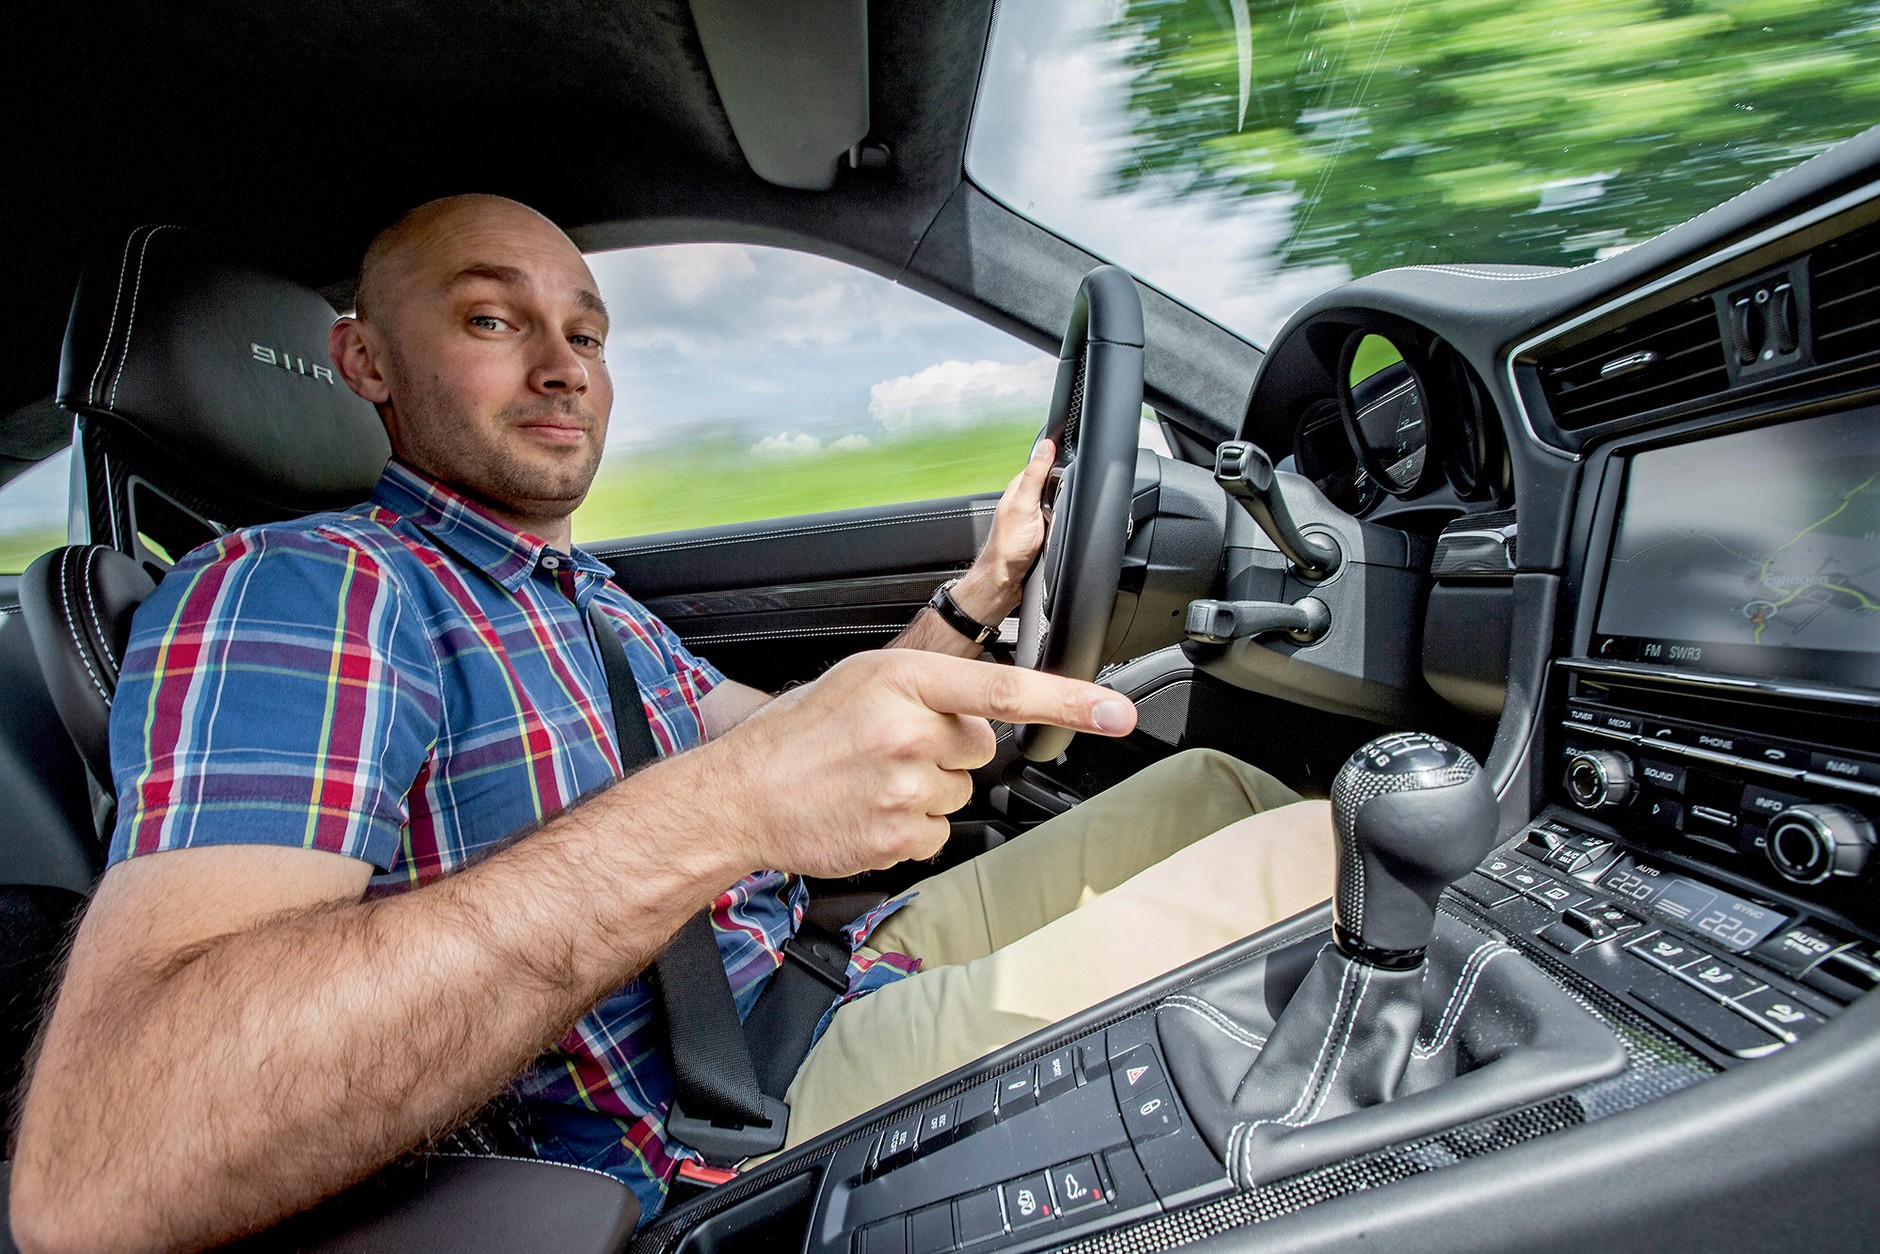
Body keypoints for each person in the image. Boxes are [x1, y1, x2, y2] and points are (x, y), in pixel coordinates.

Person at [8, 195, 1330, 1252]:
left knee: (1213, 788)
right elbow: (107, 1168)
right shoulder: (309, 587)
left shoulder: (583, 595)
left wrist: (977, 596)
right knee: (1331, 865)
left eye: (585, 335)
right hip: (719, 1117)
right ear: (363, 359)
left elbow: (799, 741)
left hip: (825, 965)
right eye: (489, 317)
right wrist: (724, 806)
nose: (560, 367)